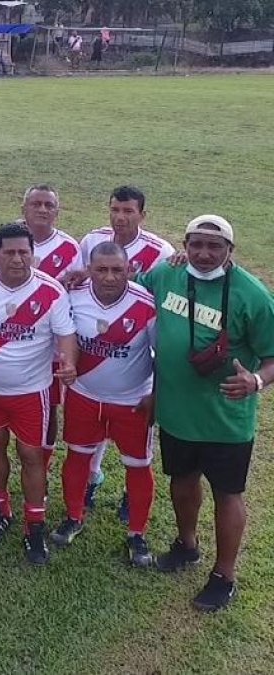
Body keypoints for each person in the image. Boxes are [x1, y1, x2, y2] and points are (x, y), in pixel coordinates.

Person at [135, 216, 274, 611]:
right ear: (185, 244)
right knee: (182, 481)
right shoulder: (167, 274)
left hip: (225, 419)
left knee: (227, 494)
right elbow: (126, 292)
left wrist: (257, 382)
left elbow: (272, 357)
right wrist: (80, 278)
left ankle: (224, 575)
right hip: (177, 411)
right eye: (197, 244)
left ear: (231, 250)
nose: (204, 253)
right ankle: (187, 544)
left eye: (215, 246)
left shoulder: (252, 294)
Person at [0, 223, 77, 565]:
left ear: (32, 254)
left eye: (24, 252)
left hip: (31, 393)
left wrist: (67, 362)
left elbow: (66, 335)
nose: (18, 259)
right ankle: (0, 508)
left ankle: (34, 525)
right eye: (10, 252)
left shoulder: (50, 291)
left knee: (31, 455)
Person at [51, 242, 157, 567]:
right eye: (101, 269)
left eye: (117, 270)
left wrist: (156, 395)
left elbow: (163, 354)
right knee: (77, 457)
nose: (109, 277)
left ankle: (136, 534)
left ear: (129, 270)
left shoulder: (146, 304)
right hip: (84, 395)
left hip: (133, 401)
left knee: (138, 465)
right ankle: (73, 516)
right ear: (90, 270)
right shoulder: (73, 295)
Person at [76, 185, 175, 514]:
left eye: (128, 211)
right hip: (95, 350)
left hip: (139, 342)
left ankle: (131, 496)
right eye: (115, 210)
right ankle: (91, 478)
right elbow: (79, 278)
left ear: (142, 215)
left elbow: (173, 286)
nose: (120, 217)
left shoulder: (159, 250)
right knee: (95, 424)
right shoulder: (92, 240)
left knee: (133, 435)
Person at [0, 184, 83, 478]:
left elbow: (81, 283)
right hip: (9, 340)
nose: (42, 210)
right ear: (24, 209)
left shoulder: (71, 247)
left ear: (57, 212)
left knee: (48, 408)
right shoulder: (7, 236)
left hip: (48, 340)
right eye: (36, 204)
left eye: (49, 205)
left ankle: (41, 467)